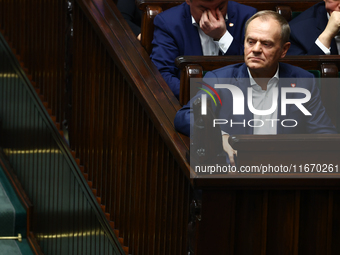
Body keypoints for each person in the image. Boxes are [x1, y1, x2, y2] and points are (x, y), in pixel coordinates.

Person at [174, 10, 337, 165]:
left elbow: (324, 133)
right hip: (238, 172)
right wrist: (218, 136)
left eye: (266, 44)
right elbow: (185, 116)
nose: (256, 49)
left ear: (284, 50)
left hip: (286, 171)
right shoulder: (220, 80)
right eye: (250, 42)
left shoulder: (303, 81)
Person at [150, 0, 257, 98]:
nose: (213, 15)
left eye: (220, 8)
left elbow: (254, 68)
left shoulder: (248, 16)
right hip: (188, 103)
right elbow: (162, 74)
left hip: (240, 99)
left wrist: (223, 37)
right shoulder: (169, 22)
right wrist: (202, 96)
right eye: (204, 9)